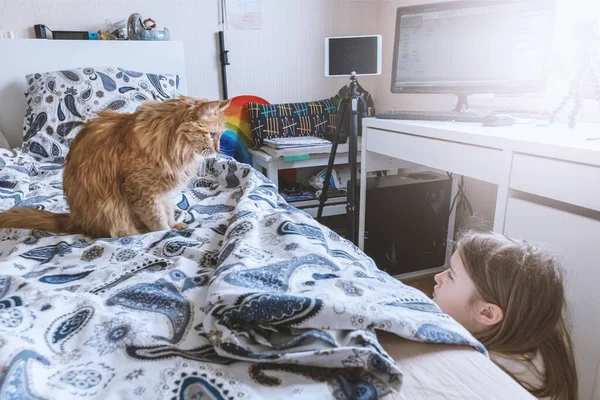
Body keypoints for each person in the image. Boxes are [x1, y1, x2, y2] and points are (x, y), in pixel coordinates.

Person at [433, 231, 578, 400]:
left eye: (451, 275)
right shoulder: (536, 336)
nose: (438, 277)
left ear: (487, 313)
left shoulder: (485, 377)